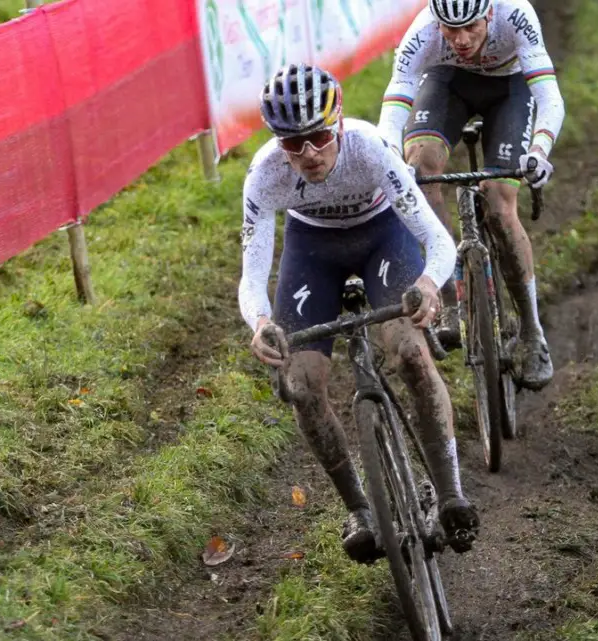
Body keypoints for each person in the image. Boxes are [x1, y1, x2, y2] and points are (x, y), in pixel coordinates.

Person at [238, 63, 480, 563]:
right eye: (292, 143)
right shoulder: (264, 175)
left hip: (382, 238)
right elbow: (253, 270)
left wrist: (429, 284)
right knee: (300, 384)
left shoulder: (370, 149)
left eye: (320, 137)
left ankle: (451, 491)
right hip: (313, 252)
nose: (308, 154)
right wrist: (260, 323)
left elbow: (436, 238)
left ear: (340, 123)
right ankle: (360, 509)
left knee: (411, 353)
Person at [377, 0, 563, 391]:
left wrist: (540, 150)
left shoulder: (515, 14)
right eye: (450, 30)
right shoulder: (423, 30)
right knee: (421, 171)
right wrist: (391, 156)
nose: (461, 40)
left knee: (499, 204)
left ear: (489, 15)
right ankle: (449, 294)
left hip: (510, 89)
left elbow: (548, 96)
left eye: (471, 28)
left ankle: (531, 331)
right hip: (448, 84)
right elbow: (395, 102)